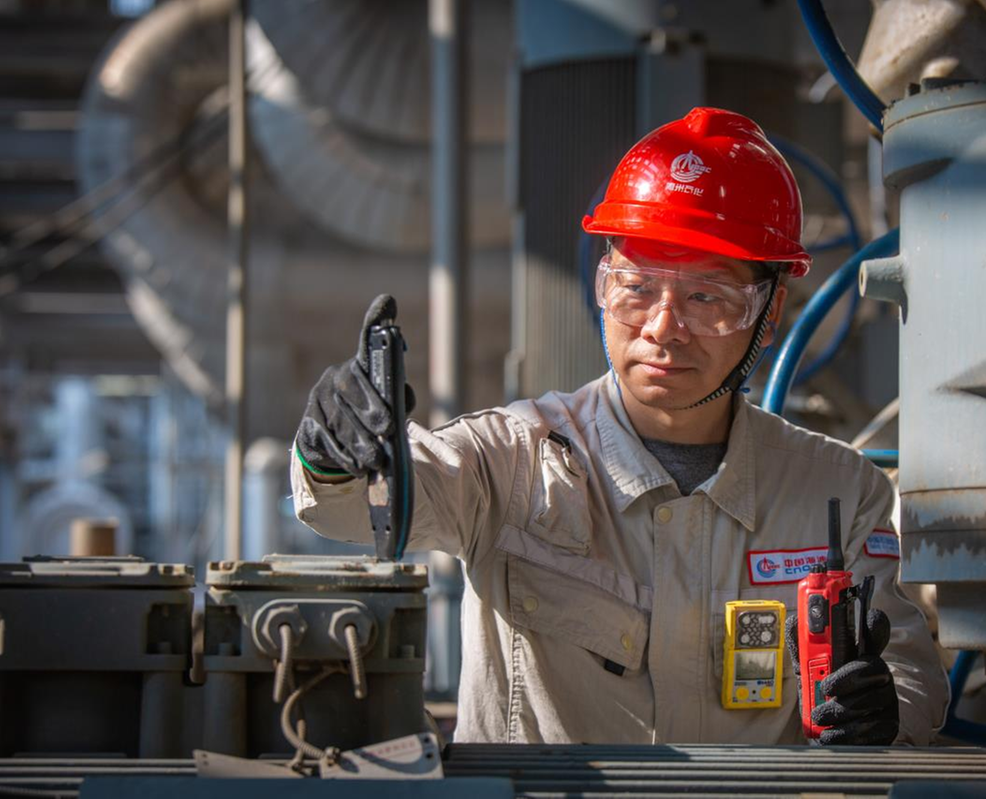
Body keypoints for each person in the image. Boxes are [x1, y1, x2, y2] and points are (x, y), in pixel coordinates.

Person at [291, 107, 948, 745]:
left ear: (769, 312)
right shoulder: (511, 459)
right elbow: (352, 511)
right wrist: (332, 453)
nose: (663, 328)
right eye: (636, 288)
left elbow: (911, 673)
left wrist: (883, 713)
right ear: (603, 285)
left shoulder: (839, 491)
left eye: (707, 298)